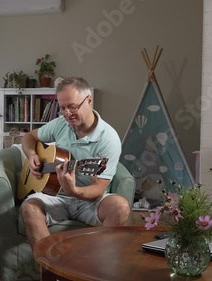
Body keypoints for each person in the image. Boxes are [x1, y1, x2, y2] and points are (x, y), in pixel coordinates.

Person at [20, 77, 131, 249]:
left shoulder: (108, 139)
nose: (67, 113)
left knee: (120, 207)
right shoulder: (60, 124)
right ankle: (50, 267)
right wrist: (32, 154)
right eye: (62, 108)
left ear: (89, 100)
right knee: (29, 207)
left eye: (72, 106)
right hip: (56, 196)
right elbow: (29, 137)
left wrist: (74, 190)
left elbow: (98, 189)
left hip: (91, 201)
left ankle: (98, 265)